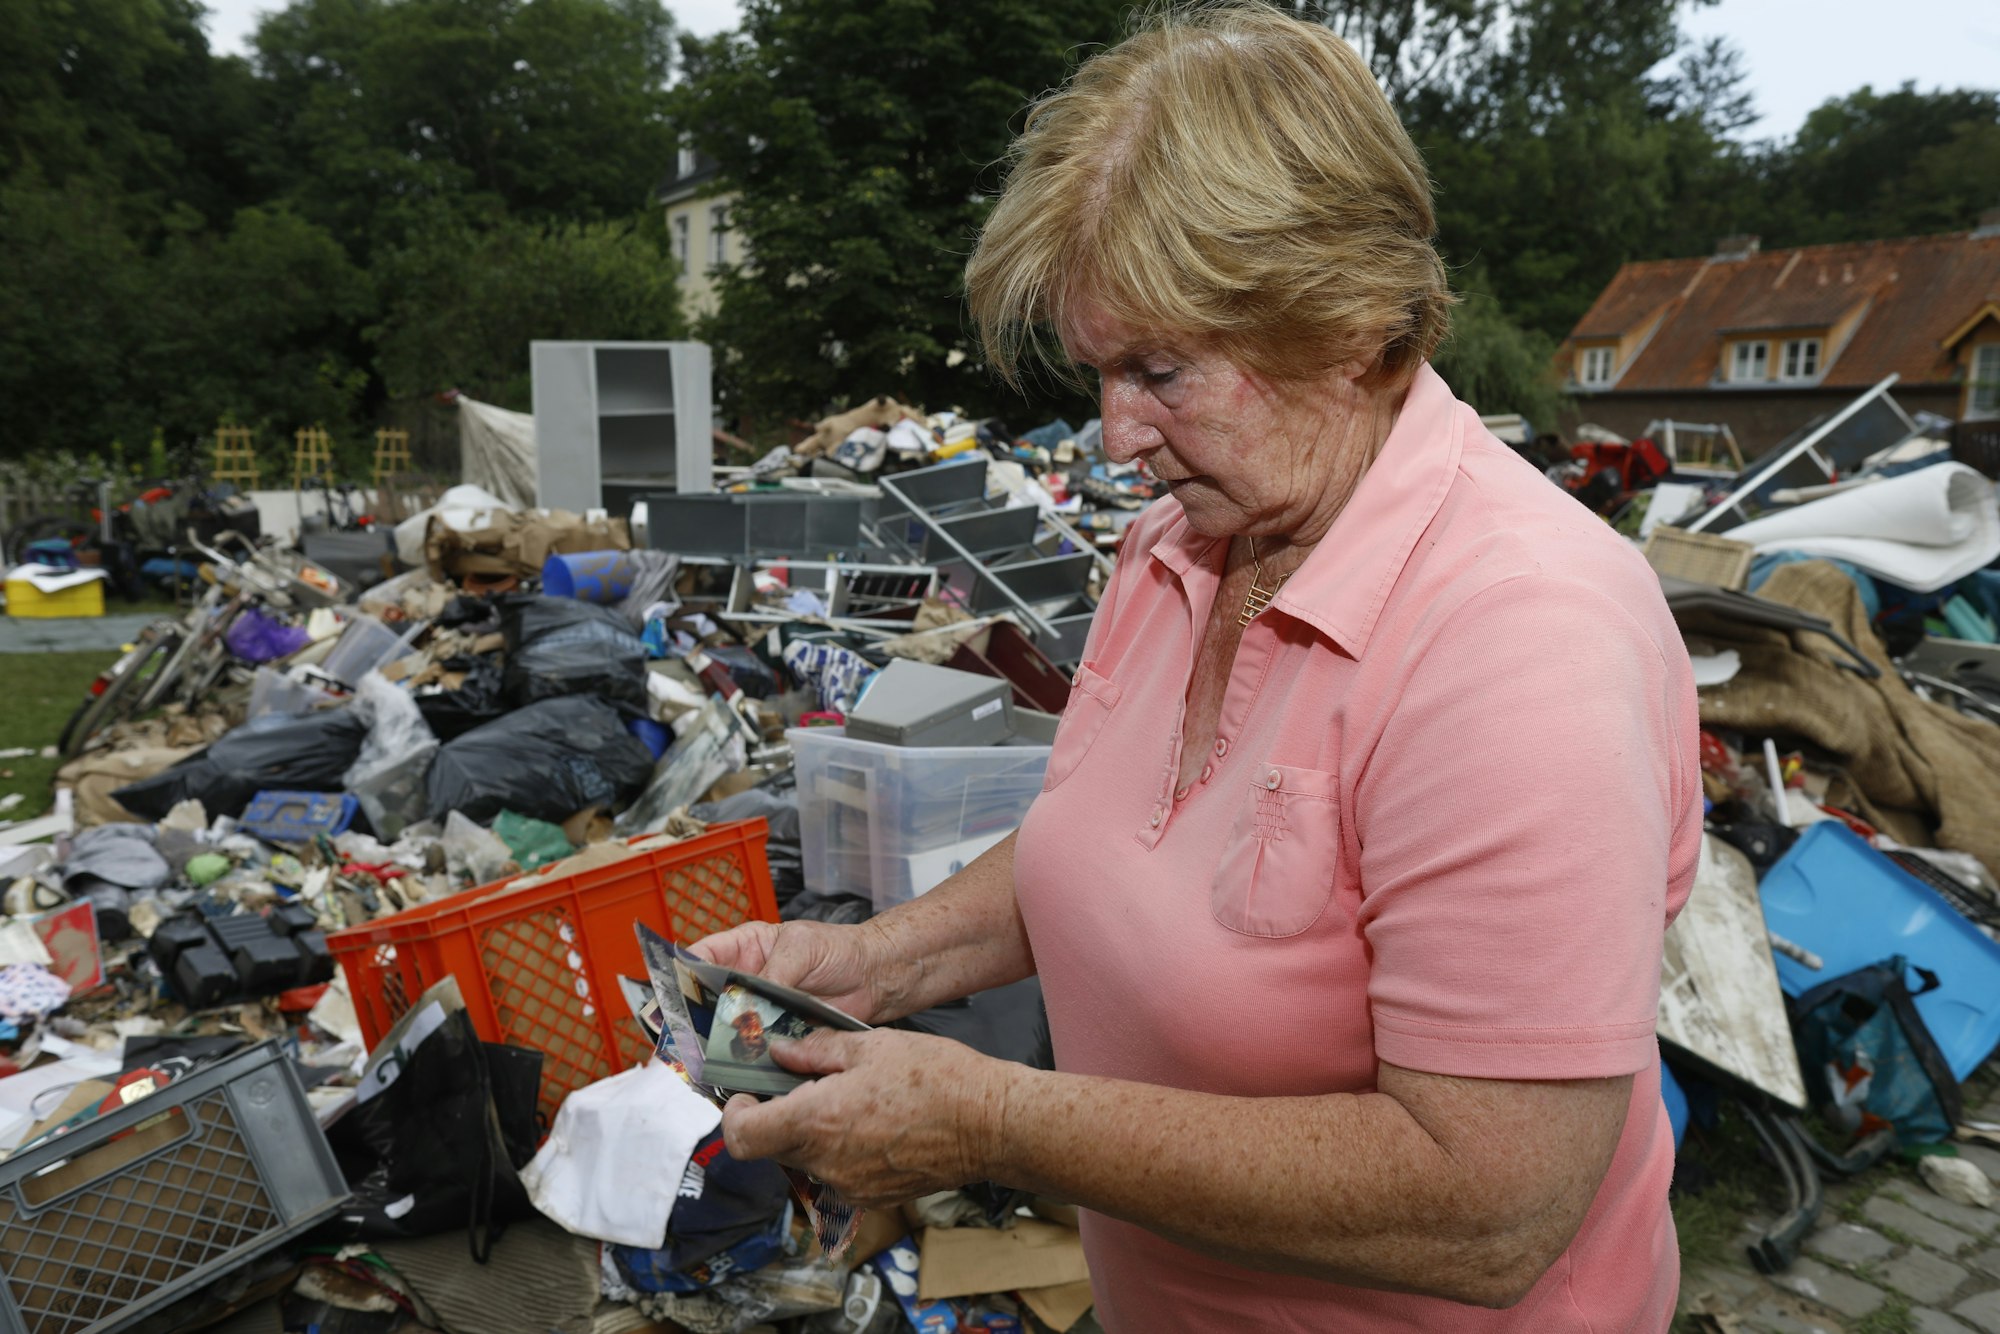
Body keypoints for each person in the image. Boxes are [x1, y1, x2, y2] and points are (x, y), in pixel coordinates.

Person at [693, 5, 1701, 1329]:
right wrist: (869, 964)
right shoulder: (1181, 543)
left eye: (1160, 371)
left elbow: (1491, 1201)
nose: (1115, 438)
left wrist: (997, 1117)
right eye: (1102, 371)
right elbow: (1112, 851)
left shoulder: (1522, 644)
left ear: (1345, 325)